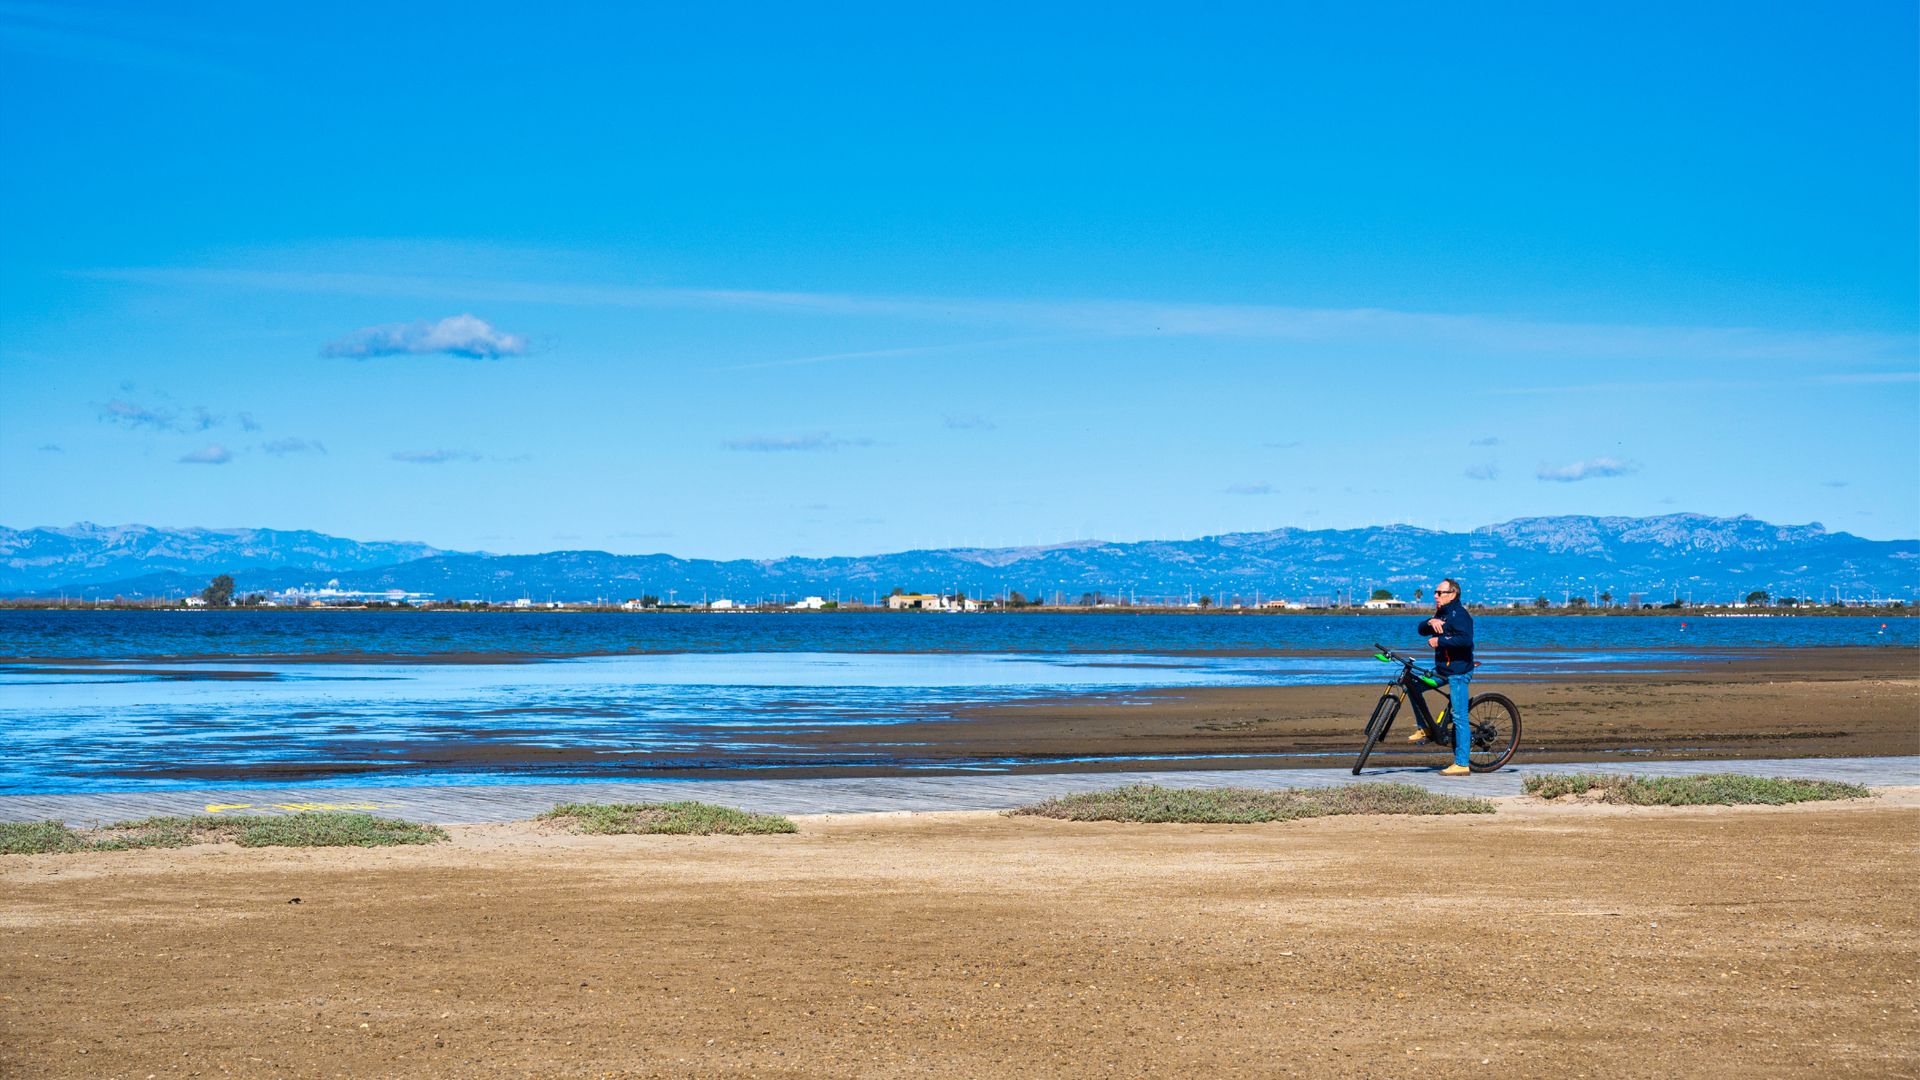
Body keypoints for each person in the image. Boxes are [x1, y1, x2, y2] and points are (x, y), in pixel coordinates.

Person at [1409, 577, 1475, 776]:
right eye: (1435, 593)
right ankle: (1425, 728)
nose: (1436, 596)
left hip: (1458, 672)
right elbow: (1421, 630)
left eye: (1440, 593)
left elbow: (1465, 640)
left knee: (1459, 717)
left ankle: (1462, 764)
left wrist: (1440, 641)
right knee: (1412, 685)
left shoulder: (1460, 615)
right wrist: (1431, 621)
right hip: (1441, 670)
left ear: (1452, 594)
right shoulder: (1442, 613)